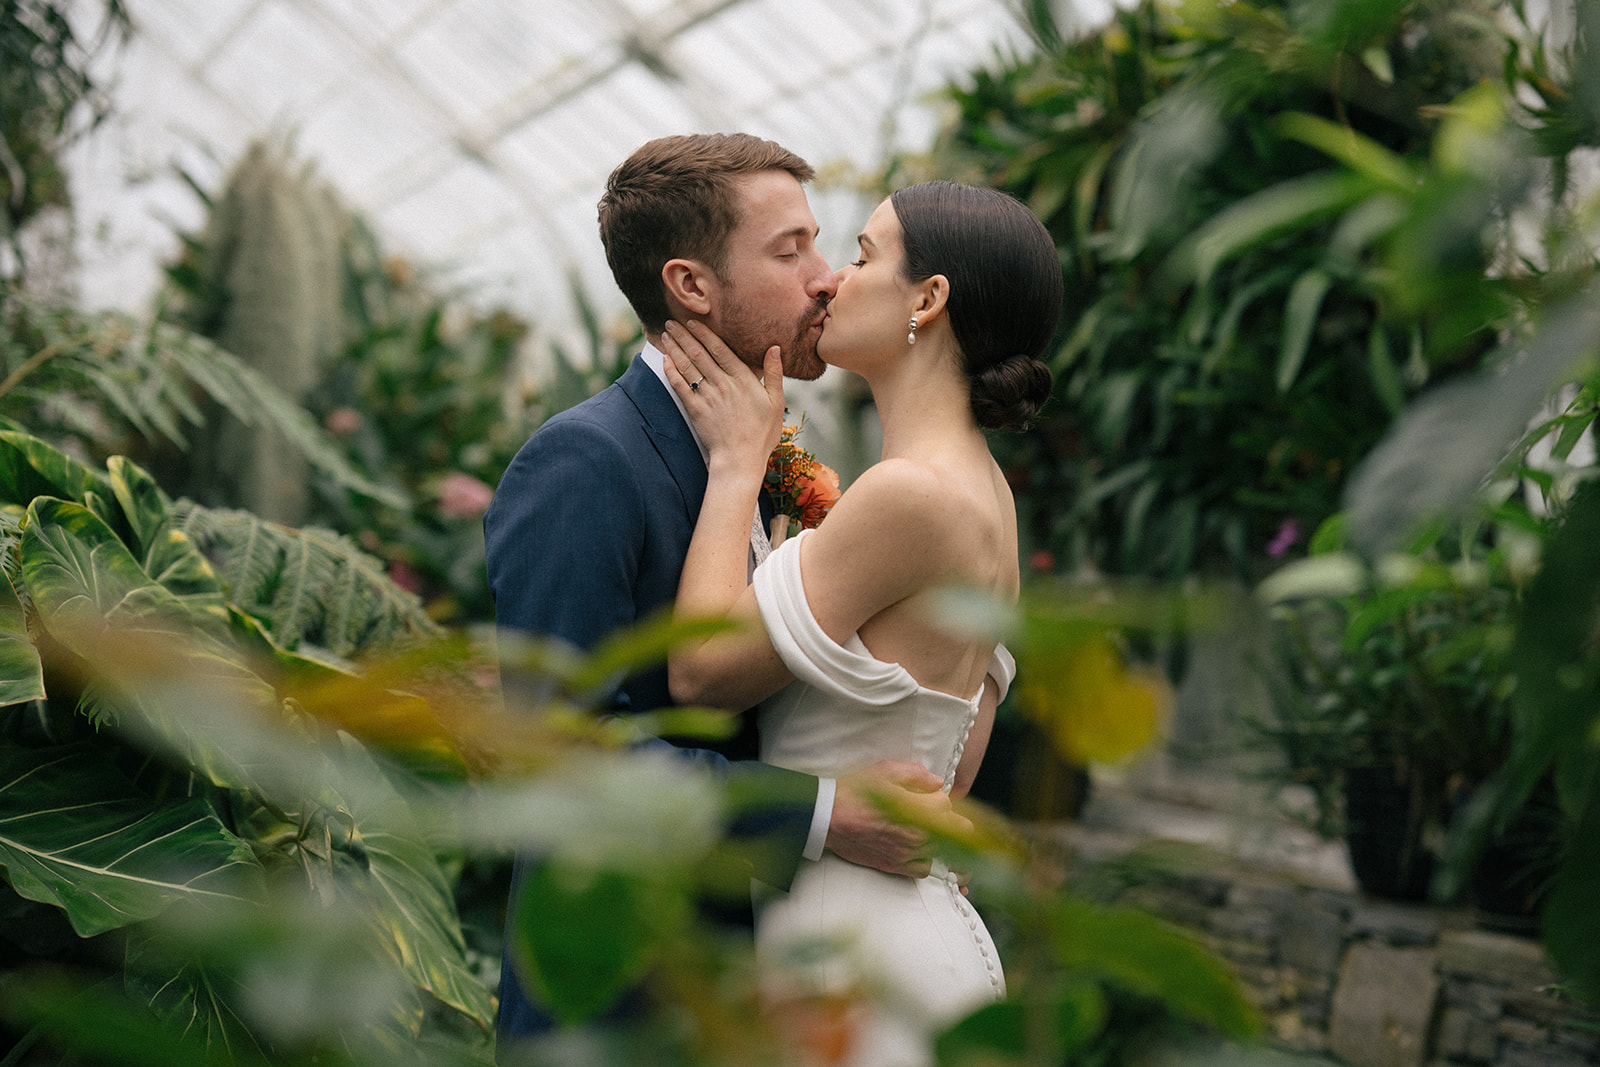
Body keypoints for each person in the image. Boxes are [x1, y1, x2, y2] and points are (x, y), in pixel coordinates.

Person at [482, 135, 974, 1048]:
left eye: (824, 246)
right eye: (791, 251)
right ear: (692, 286)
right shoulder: (586, 462)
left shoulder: (758, 460)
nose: (825, 279)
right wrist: (825, 813)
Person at [659, 180, 1062, 1067]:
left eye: (865, 255)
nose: (833, 279)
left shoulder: (908, 493)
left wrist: (737, 467)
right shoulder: (985, 491)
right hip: (917, 930)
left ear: (928, 299)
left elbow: (698, 671)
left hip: (853, 948)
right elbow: (954, 768)